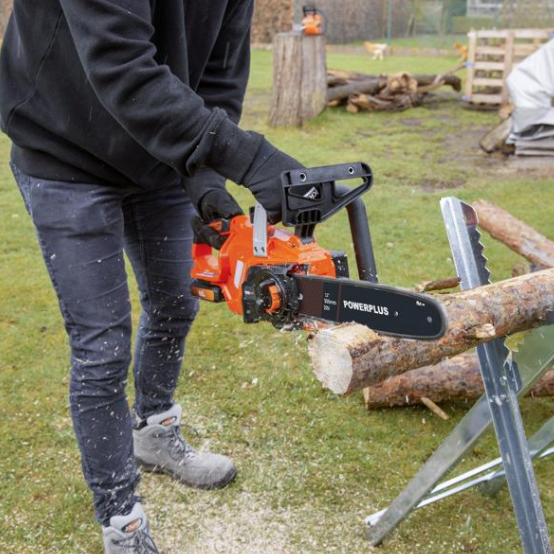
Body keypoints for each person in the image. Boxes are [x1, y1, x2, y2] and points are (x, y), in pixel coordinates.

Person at [0, 1, 304, 552]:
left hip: (156, 158)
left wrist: (203, 174)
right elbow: (119, 64)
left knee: (176, 302)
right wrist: (250, 158)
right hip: (63, 148)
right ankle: (121, 519)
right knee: (101, 347)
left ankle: (155, 432)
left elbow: (219, 76)